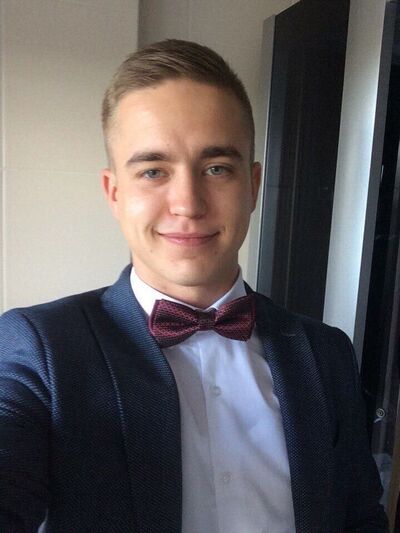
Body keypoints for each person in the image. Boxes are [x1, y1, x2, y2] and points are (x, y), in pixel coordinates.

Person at [0, 39, 388, 533]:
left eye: (216, 168)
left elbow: (359, 516)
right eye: (153, 171)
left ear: (253, 187)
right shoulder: (39, 348)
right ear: (114, 193)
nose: (187, 203)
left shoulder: (325, 352)